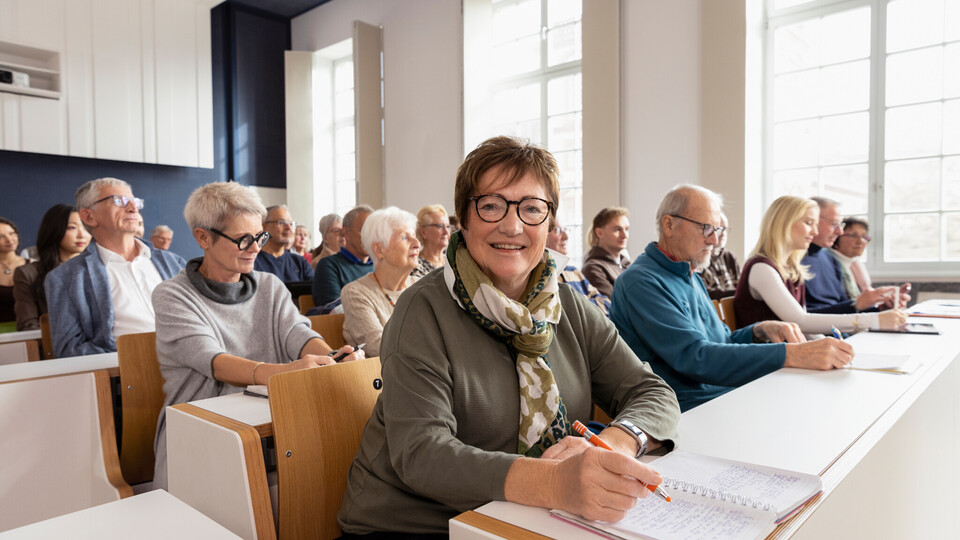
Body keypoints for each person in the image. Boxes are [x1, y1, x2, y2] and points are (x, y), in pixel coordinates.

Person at [338, 136, 680, 537]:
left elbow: (653, 392)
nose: (512, 225)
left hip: (528, 519)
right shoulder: (422, 311)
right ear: (462, 221)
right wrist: (556, 482)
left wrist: (615, 445)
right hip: (416, 525)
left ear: (550, 222)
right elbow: (422, 454)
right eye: (491, 205)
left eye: (532, 208)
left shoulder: (566, 304)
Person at [152, 181, 362, 491]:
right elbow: (212, 360)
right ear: (203, 237)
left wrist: (329, 358)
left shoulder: (270, 286)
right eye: (243, 239)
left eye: (260, 236)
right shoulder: (172, 295)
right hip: (199, 430)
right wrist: (282, 373)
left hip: (269, 426)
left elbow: (299, 334)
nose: (256, 248)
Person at [610, 185, 854, 412]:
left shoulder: (690, 274)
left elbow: (722, 341)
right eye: (706, 228)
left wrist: (759, 330)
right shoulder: (641, 281)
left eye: (717, 230)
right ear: (669, 225)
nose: (715, 240)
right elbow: (696, 359)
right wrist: (791, 354)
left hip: (720, 396)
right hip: (685, 409)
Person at [45, 178, 186, 358]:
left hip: (194, 366)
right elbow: (69, 350)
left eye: (135, 202)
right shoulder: (66, 278)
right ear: (89, 216)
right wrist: (137, 355)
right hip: (130, 375)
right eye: (120, 201)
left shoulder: (174, 263)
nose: (133, 208)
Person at [733, 196, 906, 334]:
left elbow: (809, 329)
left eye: (815, 225)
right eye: (809, 223)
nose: (814, 232)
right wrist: (874, 320)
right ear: (784, 223)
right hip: (768, 362)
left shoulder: (793, 269)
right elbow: (801, 321)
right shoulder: (761, 268)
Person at [802, 197, 908, 313]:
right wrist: (857, 304)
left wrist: (881, 309)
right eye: (834, 224)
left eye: (840, 225)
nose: (840, 232)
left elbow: (843, 310)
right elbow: (802, 319)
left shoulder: (831, 260)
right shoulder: (792, 261)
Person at [340, 207, 420, 357]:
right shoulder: (356, 293)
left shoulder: (421, 286)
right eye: (404, 237)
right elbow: (380, 347)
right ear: (379, 250)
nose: (416, 243)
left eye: (415, 236)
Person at [13, 205, 90, 331]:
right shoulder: (28, 274)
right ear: (54, 230)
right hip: (54, 346)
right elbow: (28, 325)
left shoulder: (100, 268)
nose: (82, 234)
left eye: (86, 227)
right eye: (72, 227)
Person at [312, 205, 374, 309]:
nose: (370, 237)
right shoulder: (329, 266)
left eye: (374, 232)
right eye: (363, 230)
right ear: (346, 232)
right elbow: (333, 311)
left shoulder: (380, 266)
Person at [546, 221, 610, 315]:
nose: (566, 237)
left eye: (566, 230)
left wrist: (579, 306)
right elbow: (565, 316)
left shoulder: (573, 271)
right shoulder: (540, 276)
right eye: (558, 230)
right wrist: (586, 301)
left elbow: (607, 304)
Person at [254, 205, 314, 282]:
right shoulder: (252, 260)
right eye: (281, 223)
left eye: (291, 224)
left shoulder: (299, 262)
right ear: (264, 226)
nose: (289, 228)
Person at [582, 207, 631, 297]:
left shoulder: (627, 264)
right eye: (617, 229)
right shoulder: (593, 269)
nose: (624, 235)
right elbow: (613, 306)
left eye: (626, 229)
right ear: (599, 233)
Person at [699, 213, 740, 300]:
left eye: (725, 229)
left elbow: (740, 286)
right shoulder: (699, 257)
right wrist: (740, 293)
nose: (723, 233)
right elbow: (704, 294)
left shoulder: (729, 257)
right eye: (719, 229)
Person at [831, 218, 872, 298]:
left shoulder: (856, 264)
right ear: (836, 237)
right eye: (853, 235)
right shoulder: (830, 264)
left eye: (864, 236)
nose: (860, 241)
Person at [0, 217, 28, 325]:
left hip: (30, 330)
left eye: (12, 233)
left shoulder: (35, 266)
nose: (9, 239)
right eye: (1, 236)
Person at [411, 204, 450, 279]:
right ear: (423, 232)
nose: (446, 232)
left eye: (448, 226)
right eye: (440, 226)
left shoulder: (453, 260)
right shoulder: (415, 266)